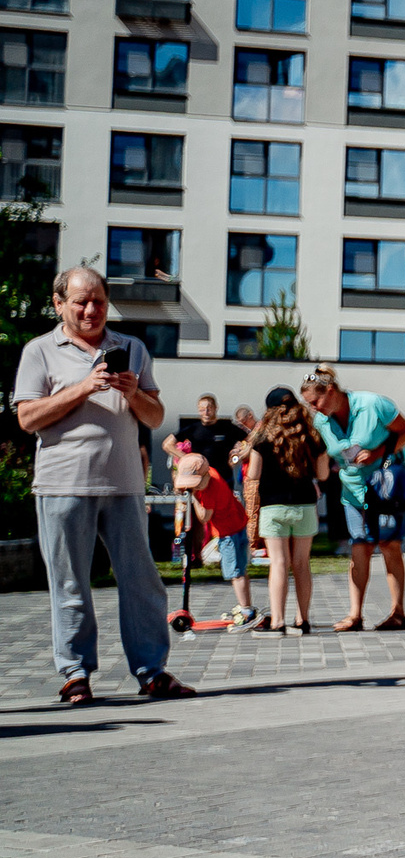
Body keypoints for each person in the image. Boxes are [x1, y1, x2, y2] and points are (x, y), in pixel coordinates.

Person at [14, 267, 188, 705]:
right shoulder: (39, 351)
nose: (91, 310)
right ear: (59, 304)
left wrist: (132, 394)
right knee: (70, 584)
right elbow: (28, 418)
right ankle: (75, 673)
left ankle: (152, 672)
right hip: (62, 484)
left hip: (124, 484)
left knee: (142, 582)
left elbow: (154, 416)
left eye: (99, 301)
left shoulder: (132, 348)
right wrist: (83, 387)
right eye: (81, 302)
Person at [300, 366, 405, 632]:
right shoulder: (321, 422)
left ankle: (398, 613)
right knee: (359, 547)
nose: (314, 409)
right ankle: (355, 615)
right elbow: (328, 453)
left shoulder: (373, 405)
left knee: (389, 545)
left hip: (386, 488)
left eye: (315, 402)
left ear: (330, 391)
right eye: (310, 405)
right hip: (353, 491)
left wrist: (376, 453)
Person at [242, 387, 329, 637]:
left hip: (273, 508)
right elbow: (323, 474)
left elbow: (253, 475)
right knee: (302, 563)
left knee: (279, 563)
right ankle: (302, 620)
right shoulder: (312, 436)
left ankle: (278, 622)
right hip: (305, 506)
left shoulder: (262, 439)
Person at [167, 395, 254, 627]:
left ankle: (246, 611)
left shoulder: (206, 490)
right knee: (240, 569)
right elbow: (168, 443)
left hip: (228, 530)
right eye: (202, 408)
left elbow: (205, 516)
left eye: (209, 407)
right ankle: (246, 607)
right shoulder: (212, 474)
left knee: (234, 572)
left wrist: (194, 497)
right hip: (236, 523)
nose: (206, 411)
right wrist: (186, 460)